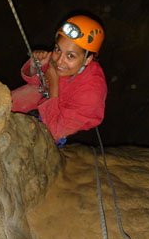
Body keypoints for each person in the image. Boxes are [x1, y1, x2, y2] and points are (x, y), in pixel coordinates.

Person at [11, 14, 107, 145]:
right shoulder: (58, 60)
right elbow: (37, 83)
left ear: (88, 59)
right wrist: (35, 67)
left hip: (60, 125)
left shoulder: (92, 93)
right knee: (6, 103)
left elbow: (53, 131)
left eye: (70, 56)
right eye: (57, 49)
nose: (59, 61)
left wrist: (54, 86)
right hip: (44, 101)